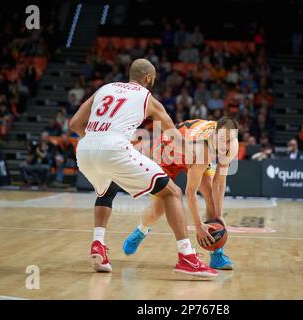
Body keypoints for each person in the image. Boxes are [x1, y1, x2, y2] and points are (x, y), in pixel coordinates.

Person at [70, 58, 218, 278]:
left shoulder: (105, 88)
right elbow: (172, 134)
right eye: (154, 78)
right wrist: (193, 153)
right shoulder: (147, 98)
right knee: (172, 193)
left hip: (85, 150)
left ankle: (98, 245)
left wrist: (96, 141)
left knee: (106, 191)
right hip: (113, 147)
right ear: (148, 78)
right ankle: (186, 257)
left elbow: (74, 124)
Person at [123, 117, 239, 270]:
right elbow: (190, 193)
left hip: (189, 147)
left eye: (230, 140)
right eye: (223, 140)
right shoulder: (202, 150)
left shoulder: (231, 146)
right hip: (166, 151)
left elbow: (219, 182)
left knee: (210, 194)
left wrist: (219, 215)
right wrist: (198, 226)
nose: (226, 145)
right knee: (158, 210)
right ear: (215, 135)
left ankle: (217, 253)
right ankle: (142, 229)